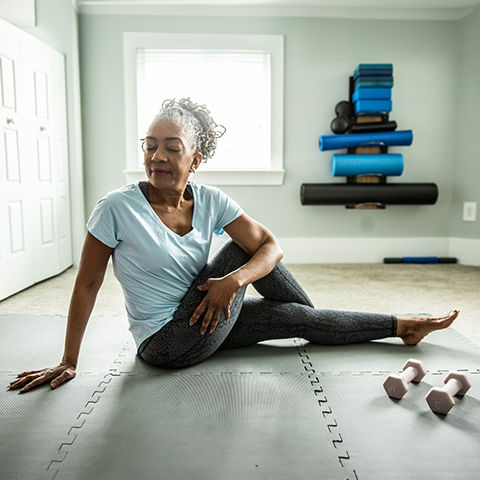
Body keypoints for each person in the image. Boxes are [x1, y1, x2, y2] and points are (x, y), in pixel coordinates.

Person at [8, 98, 459, 394]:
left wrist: (233, 282)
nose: (156, 157)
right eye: (149, 146)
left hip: (205, 314)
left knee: (274, 280)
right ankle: (319, 323)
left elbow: (272, 246)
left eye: (171, 147)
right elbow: (86, 284)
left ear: (194, 159)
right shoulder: (115, 208)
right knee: (251, 253)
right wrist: (68, 360)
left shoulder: (209, 199)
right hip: (166, 343)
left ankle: (403, 325)